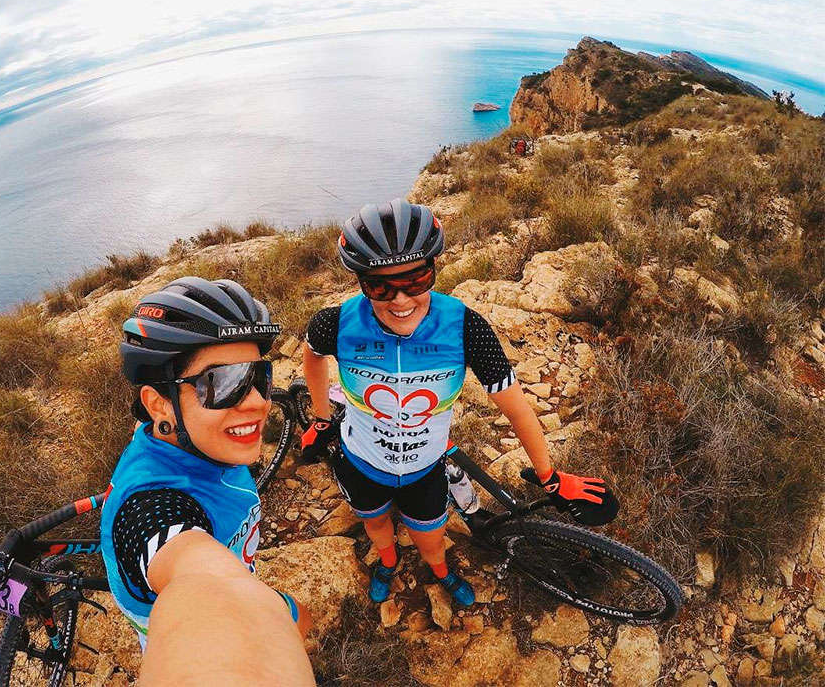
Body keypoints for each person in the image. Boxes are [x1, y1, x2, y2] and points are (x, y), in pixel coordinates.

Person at [301, 198, 617, 606]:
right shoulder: (335, 323)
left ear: (434, 269)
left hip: (424, 468)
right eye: (379, 286)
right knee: (376, 524)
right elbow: (312, 359)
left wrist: (549, 476)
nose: (400, 300)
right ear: (360, 281)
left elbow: (516, 406)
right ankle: (387, 561)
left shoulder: (465, 328)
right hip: (361, 461)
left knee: (431, 539)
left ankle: (441, 572)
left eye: (416, 280)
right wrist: (322, 419)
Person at [101, 276, 315, 685]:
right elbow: (203, 582)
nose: (257, 401)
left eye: (258, 377)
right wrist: (280, 610)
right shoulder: (150, 510)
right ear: (159, 402)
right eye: (223, 383)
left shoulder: (199, 441)